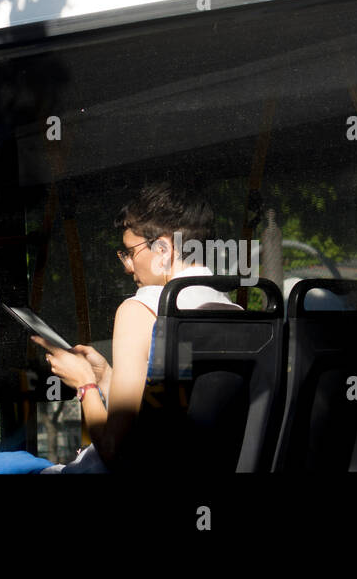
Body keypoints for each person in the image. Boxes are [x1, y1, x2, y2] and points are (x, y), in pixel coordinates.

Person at [34, 183, 238, 473]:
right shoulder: (235, 312)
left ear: (164, 248)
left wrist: (84, 384)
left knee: (0, 465)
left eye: (131, 252)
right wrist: (106, 378)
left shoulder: (140, 309)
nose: (128, 266)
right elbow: (169, 410)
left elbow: (114, 451)